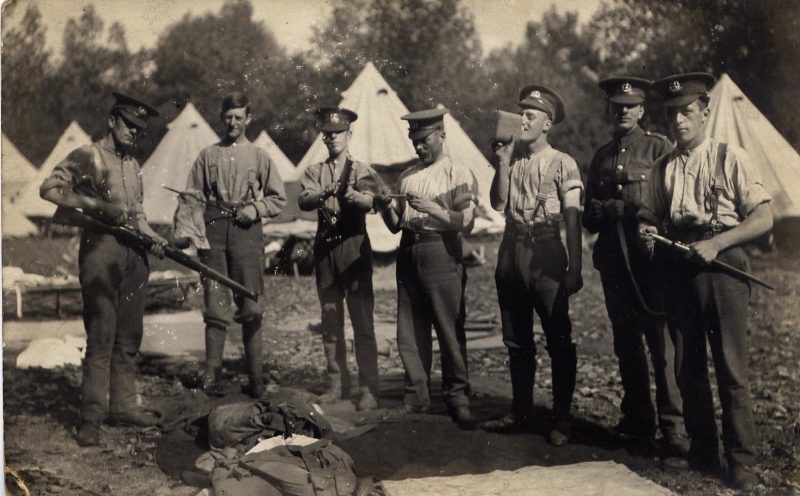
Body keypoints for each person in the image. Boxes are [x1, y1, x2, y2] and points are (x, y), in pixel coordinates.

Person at [637, 73, 772, 491]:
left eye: (687, 112)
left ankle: (741, 462)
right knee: (687, 367)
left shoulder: (731, 157)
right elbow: (648, 214)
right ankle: (703, 452)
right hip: (679, 268)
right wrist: (645, 230)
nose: (679, 121)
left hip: (723, 267)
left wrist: (717, 242)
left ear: (705, 113)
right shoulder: (662, 168)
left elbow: (763, 218)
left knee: (731, 368)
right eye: (672, 113)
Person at [40, 92, 166, 446]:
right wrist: (96, 206)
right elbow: (48, 189)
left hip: (134, 256)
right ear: (111, 121)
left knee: (129, 337)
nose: (133, 132)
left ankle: (123, 407)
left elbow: (138, 215)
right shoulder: (87, 156)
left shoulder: (133, 164)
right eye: (129, 124)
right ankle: (92, 417)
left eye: (139, 128)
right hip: (101, 251)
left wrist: (156, 239)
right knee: (101, 336)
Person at [584, 76, 688, 460]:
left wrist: (627, 210)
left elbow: (670, 208)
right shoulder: (601, 158)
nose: (623, 111)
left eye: (630, 106)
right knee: (626, 345)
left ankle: (673, 428)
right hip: (614, 266)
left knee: (661, 347)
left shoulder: (660, 149)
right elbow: (589, 224)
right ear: (610, 110)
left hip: (652, 266)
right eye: (617, 106)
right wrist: (596, 214)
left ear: (642, 110)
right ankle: (639, 420)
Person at [482, 85, 583, 447]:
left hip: (546, 252)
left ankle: (561, 419)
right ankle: (520, 410)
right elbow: (497, 203)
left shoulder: (563, 162)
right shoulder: (513, 158)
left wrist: (575, 267)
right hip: (511, 250)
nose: (522, 119)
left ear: (547, 124)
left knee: (558, 337)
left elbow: (572, 220)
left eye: (531, 115)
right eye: (521, 112)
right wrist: (503, 162)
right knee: (516, 337)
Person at [376, 107, 478, 427]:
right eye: (414, 141)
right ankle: (416, 397)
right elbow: (395, 225)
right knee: (410, 331)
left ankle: (457, 397)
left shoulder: (457, 172)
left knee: (448, 329)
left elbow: (467, 223)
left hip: (441, 252)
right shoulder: (406, 176)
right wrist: (383, 205)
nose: (419, 147)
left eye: (425, 140)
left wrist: (432, 208)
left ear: (442, 135)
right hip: (408, 250)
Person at [186, 92, 286, 399]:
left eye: (239, 117)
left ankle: (255, 377)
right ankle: (211, 375)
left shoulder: (259, 156)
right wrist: (193, 233)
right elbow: (191, 195)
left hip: (246, 230)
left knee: (250, 304)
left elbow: (278, 199)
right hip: (214, 228)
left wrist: (254, 210)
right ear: (222, 118)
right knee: (215, 306)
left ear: (248, 119)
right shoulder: (207, 156)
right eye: (228, 117)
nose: (233, 123)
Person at [298, 106, 380, 411]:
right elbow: (304, 199)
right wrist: (326, 193)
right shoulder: (314, 171)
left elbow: (372, 198)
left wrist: (356, 197)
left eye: (338, 133)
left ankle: (368, 387)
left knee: (362, 321)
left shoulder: (361, 169)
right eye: (328, 134)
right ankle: (336, 384)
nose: (333, 138)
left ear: (349, 134)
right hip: (326, 250)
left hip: (353, 246)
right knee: (331, 319)